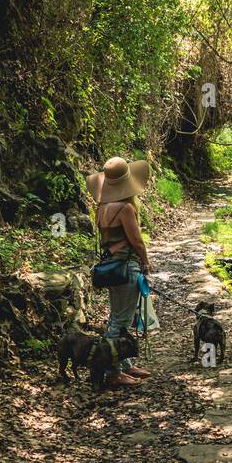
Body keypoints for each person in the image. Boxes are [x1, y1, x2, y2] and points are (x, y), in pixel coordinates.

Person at [87, 156, 154, 387]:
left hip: (112, 267)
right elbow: (136, 241)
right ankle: (113, 373)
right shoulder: (125, 208)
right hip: (127, 266)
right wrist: (145, 262)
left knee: (117, 317)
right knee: (120, 322)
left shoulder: (101, 208)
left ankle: (125, 365)